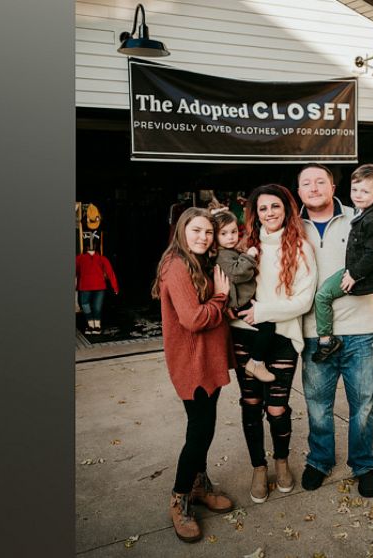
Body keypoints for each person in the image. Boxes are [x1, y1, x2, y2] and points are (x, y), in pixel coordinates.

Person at [297, 163, 373, 498]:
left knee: (363, 404)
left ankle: (364, 464)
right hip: (313, 331)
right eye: (307, 183)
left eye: (321, 181)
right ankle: (319, 461)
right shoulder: (292, 226)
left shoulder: (362, 215)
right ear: (299, 190)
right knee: (318, 404)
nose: (314, 187)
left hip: (362, 329)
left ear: (334, 186)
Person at [151, 207, 235, 543]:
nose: (203, 237)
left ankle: (199, 484)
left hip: (208, 359)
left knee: (207, 424)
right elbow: (194, 319)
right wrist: (221, 297)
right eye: (196, 231)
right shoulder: (175, 265)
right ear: (182, 231)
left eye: (208, 232)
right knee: (199, 430)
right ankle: (180, 496)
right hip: (192, 363)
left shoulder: (198, 261)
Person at [230, 184, 317, 504]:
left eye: (275, 207)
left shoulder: (301, 248)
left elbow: (304, 300)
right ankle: (258, 467)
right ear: (255, 214)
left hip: (281, 335)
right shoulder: (243, 245)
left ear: (287, 209)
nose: (269, 213)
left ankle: (281, 463)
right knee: (250, 403)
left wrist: (262, 311)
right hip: (244, 332)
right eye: (263, 208)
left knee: (277, 407)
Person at [310, 164, 373, 362]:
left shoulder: (371, 221)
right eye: (354, 189)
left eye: (365, 191)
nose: (358, 195)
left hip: (358, 267)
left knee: (323, 296)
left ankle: (326, 341)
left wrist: (353, 274)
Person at [210, 208, 276, 382]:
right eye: (223, 233)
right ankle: (255, 362)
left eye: (233, 232)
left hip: (244, 299)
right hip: (238, 303)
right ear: (215, 237)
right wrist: (249, 256)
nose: (230, 237)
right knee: (268, 327)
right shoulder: (222, 256)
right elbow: (238, 274)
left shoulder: (229, 251)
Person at [75, 239, 119, 335]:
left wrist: (115, 287)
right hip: (91, 286)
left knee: (91, 306)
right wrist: (115, 287)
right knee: (91, 306)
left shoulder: (99, 258)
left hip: (92, 287)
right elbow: (110, 273)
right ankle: (94, 325)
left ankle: (94, 326)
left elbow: (110, 273)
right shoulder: (81, 258)